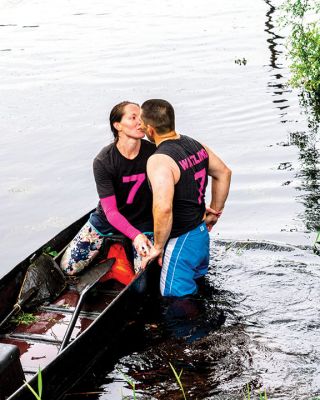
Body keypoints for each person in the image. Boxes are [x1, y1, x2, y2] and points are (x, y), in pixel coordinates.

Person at [139, 99, 231, 297]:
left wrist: (158, 247)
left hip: (180, 242)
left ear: (150, 130)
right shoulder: (195, 145)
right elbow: (223, 172)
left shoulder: (159, 160)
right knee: (198, 292)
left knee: (175, 301)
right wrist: (215, 212)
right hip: (200, 235)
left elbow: (163, 208)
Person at [60, 101, 155, 276]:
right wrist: (135, 236)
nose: (140, 122)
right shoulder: (103, 161)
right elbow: (111, 212)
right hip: (108, 220)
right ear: (117, 125)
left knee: (142, 274)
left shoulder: (155, 153)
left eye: (141, 118)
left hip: (144, 221)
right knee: (68, 268)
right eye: (133, 118)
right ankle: (109, 255)